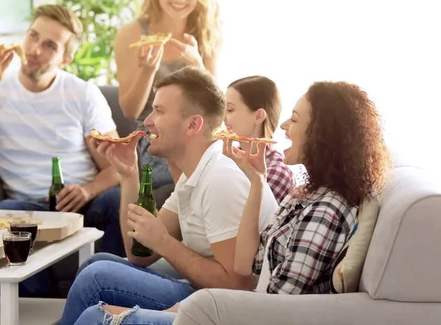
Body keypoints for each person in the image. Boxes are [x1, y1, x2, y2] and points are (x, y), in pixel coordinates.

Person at [71, 80, 391, 324]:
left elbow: (272, 308)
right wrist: (256, 182)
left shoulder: (325, 211)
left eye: (294, 119)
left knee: (94, 305)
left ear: (323, 132)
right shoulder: (305, 195)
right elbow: (246, 266)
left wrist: (188, 309)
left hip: (238, 313)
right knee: (95, 268)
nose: (282, 127)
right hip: (230, 305)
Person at [59, 66, 279, 325]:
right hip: (207, 293)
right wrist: (129, 174)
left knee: (95, 278)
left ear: (193, 124)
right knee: (95, 263)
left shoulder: (222, 178)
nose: (147, 121)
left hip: (230, 309)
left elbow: (236, 286)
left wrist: (164, 242)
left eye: (159, 111)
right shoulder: (194, 174)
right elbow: (139, 253)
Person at [0, 4, 123, 296]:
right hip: (26, 209)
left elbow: (117, 167)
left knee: (117, 199)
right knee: (1, 214)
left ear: (65, 58)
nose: (35, 49)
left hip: (82, 205)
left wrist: (88, 190)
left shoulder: (82, 94)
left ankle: (107, 295)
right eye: (33, 36)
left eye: (49, 45)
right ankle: (47, 310)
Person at [114, 0, 222, 187]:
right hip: (153, 137)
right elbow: (130, 111)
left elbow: (218, 110)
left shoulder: (207, 34)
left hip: (197, 138)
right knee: (177, 183)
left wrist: (198, 65)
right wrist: (148, 70)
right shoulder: (131, 34)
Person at [225, 76, 295, 203]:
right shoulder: (226, 158)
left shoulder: (277, 172)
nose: (223, 117)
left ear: (258, 116)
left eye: (230, 109)